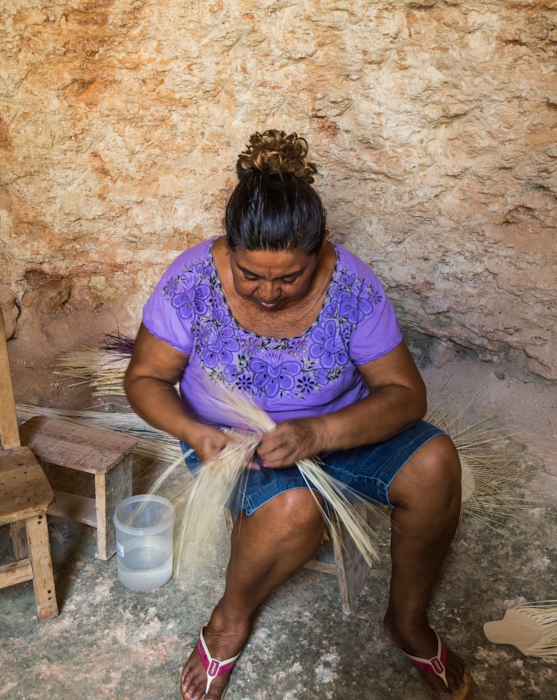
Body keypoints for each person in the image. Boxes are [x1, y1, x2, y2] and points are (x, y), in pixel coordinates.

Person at [123, 131, 473, 700]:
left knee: (435, 463)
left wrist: (319, 432)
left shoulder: (352, 286)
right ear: (229, 248)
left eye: (289, 278)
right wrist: (195, 431)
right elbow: (144, 379)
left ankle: (408, 623)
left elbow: (406, 394)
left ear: (322, 248)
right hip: (229, 441)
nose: (267, 293)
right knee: (293, 510)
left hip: (340, 431)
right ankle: (228, 621)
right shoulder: (191, 281)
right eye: (250, 275)